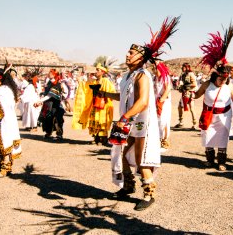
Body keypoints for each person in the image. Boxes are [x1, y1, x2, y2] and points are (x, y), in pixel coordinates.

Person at [101, 16, 179, 211]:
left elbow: (143, 102)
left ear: (141, 58)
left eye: (131, 53)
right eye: (128, 52)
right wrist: (106, 93)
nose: (127, 55)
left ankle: (149, 193)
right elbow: (124, 96)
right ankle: (128, 186)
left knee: (140, 158)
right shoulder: (128, 75)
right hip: (129, 123)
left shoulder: (143, 75)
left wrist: (125, 117)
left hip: (141, 123)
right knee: (122, 154)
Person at [196, 20, 233, 171]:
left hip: (225, 116)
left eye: (226, 78)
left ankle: (221, 162)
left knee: (223, 138)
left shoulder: (229, 86)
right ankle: (209, 160)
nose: (223, 81)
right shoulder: (207, 84)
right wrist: (189, 92)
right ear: (216, 76)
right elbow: (197, 95)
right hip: (209, 114)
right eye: (221, 78)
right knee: (207, 137)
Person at [76, 62, 115, 145]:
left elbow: (112, 92)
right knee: (94, 120)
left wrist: (104, 96)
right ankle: (96, 138)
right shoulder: (93, 81)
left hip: (103, 105)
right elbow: (86, 87)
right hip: (94, 104)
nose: (96, 71)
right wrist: (80, 81)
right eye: (96, 70)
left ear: (103, 72)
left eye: (98, 70)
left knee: (102, 121)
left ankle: (103, 139)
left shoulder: (106, 81)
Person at [36, 69, 65, 140]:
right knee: (47, 119)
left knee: (57, 119)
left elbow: (50, 96)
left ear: (54, 74)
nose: (49, 74)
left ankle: (59, 135)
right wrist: (42, 96)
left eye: (51, 73)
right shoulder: (49, 82)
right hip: (48, 104)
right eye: (49, 72)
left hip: (55, 105)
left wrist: (40, 101)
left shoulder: (57, 84)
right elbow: (46, 93)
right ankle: (48, 133)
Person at [152, 62, 172, 151]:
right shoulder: (155, 78)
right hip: (156, 101)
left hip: (164, 102)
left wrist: (161, 101)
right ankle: (157, 139)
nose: (153, 71)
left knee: (164, 121)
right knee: (157, 120)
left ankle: (164, 140)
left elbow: (168, 89)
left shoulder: (165, 77)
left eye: (155, 69)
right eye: (153, 69)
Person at [175, 63, 197, 129]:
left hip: (190, 93)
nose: (182, 68)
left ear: (187, 67)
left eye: (183, 67)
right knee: (179, 107)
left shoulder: (191, 74)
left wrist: (185, 86)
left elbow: (194, 84)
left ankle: (194, 124)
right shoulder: (182, 75)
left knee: (192, 109)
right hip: (184, 93)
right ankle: (181, 122)